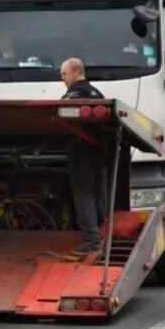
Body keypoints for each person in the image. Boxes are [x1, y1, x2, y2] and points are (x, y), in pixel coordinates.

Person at [60, 57, 106, 254]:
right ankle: (99, 232)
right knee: (96, 191)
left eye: (64, 74)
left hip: (82, 150)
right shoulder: (96, 92)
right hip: (98, 150)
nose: (62, 78)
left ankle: (91, 240)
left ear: (76, 72)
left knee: (82, 193)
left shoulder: (77, 93)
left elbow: (60, 108)